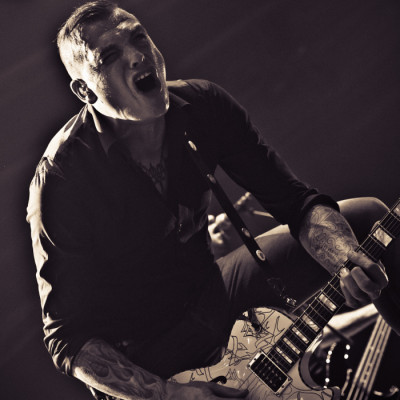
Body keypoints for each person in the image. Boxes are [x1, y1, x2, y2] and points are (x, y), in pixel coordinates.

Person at [26, 1, 396, 399]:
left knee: (366, 220)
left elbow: (295, 203)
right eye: (109, 56)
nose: (136, 56)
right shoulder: (62, 180)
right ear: (84, 90)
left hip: (213, 293)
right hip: (148, 353)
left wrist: (343, 257)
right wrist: (169, 394)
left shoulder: (203, 105)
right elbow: (68, 339)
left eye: (138, 36)